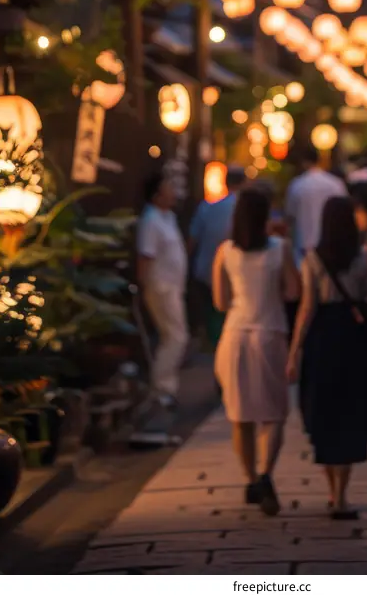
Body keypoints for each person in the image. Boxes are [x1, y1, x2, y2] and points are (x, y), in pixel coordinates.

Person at [287, 196, 367, 520]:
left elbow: (306, 308)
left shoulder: (313, 259)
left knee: (325, 414)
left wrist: (295, 350)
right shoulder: (361, 258)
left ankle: (332, 492)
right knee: (349, 414)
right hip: (353, 340)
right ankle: (342, 495)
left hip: (322, 338)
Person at [212, 188, 300, 516]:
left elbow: (220, 302)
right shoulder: (281, 249)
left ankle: (250, 480)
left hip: (234, 335)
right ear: (266, 216)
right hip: (270, 333)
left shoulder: (225, 251)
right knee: (273, 413)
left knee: (241, 416)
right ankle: (266, 474)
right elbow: (293, 292)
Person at [136, 166, 189, 413]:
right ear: (157, 195)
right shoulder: (151, 220)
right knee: (176, 336)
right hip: (161, 287)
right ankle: (162, 389)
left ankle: (166, 387)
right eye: (169, 189)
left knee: (173, 336)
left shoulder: (167, 217)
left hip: (172, 287)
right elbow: (145, 257)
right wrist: (143, 286)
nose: (173, 193)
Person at [189, 164, 246, 346]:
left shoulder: (208, 208)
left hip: (206, 269)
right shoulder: (245, 210)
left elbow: (192, 239)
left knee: (213, 311)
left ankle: (215, 346)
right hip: (238, 271)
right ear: (244, 183)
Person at [285, 144, 347, 263]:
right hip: (332, 243)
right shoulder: (335, 183)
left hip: (304, 244)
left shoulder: (297, 185)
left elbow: (289, 216)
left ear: (303, 162)